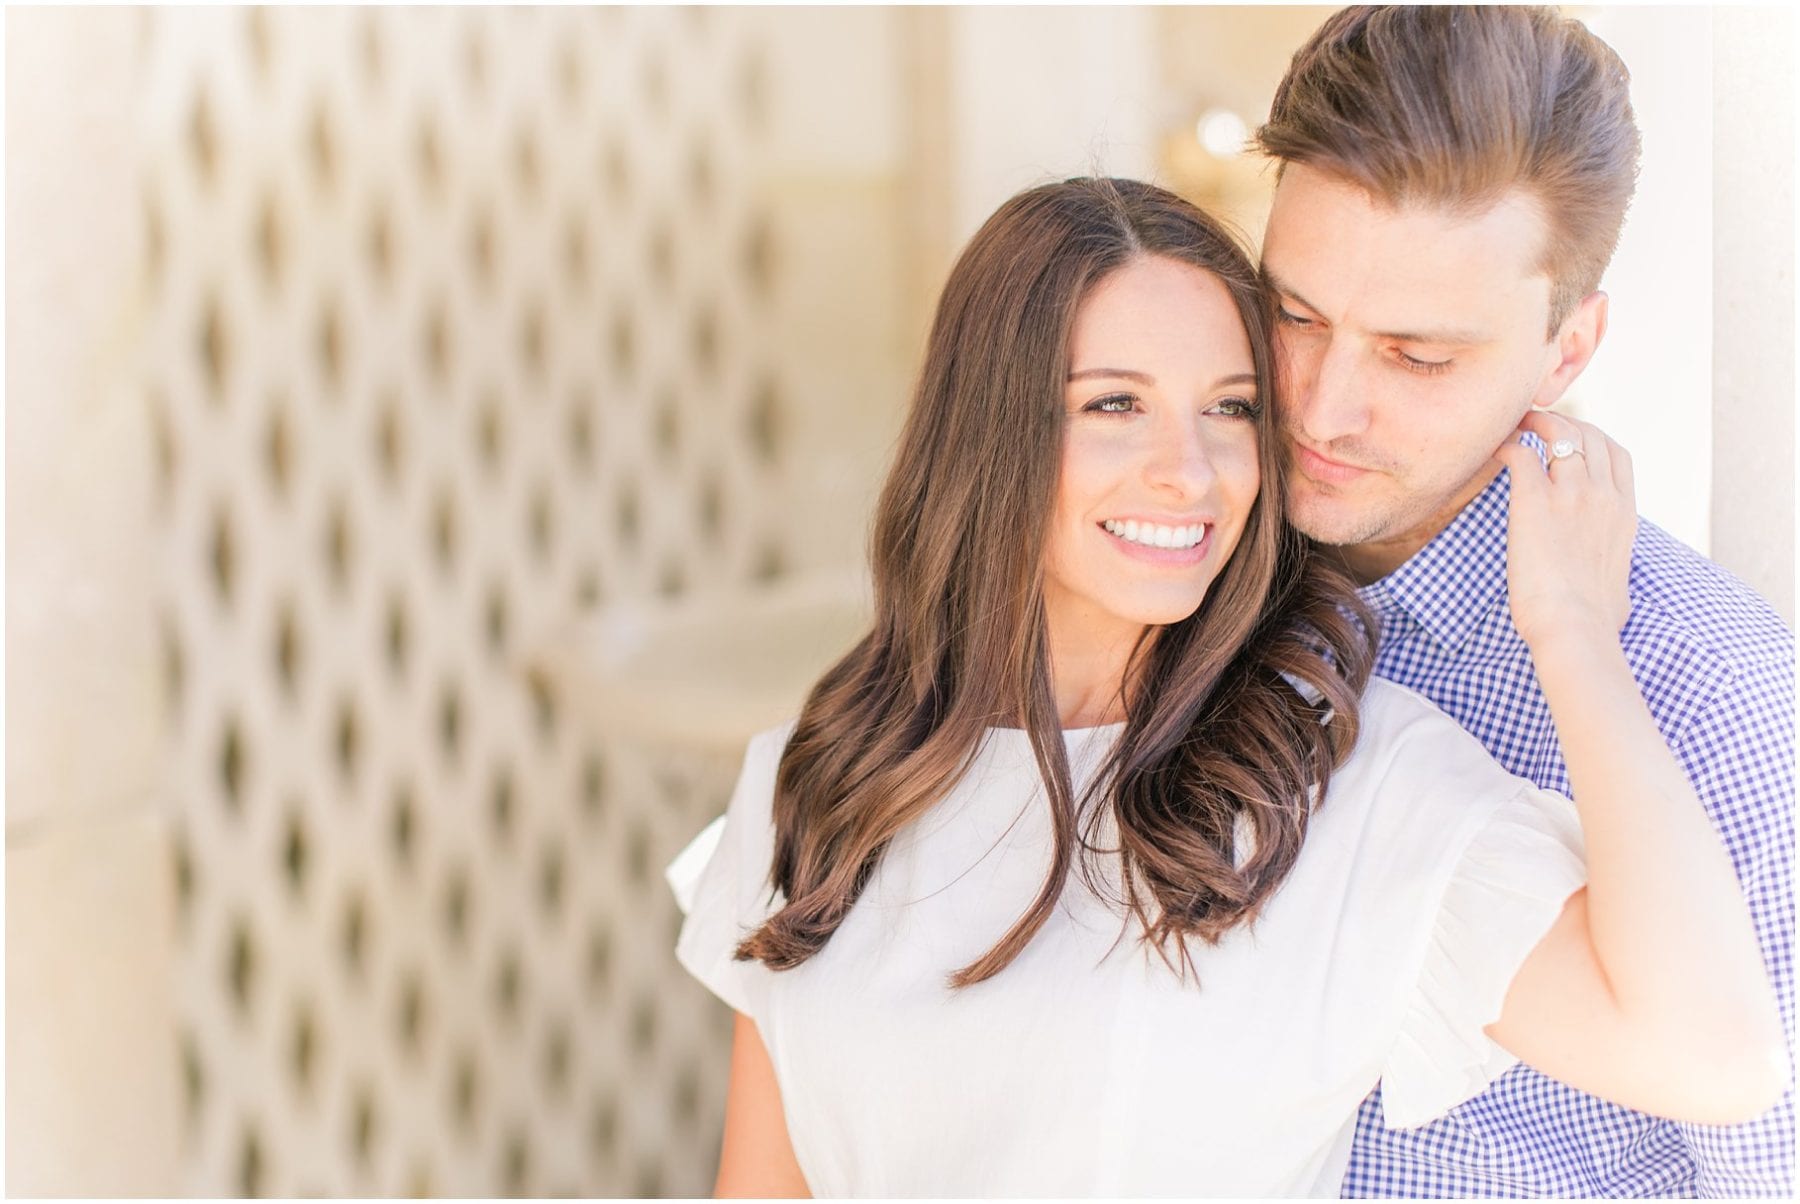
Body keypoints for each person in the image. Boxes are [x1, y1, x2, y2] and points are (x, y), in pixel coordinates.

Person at [662, 176, 1783, 1197]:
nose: (1188, 470)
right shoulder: (817, 775)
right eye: (1115, 404)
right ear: (990, 427)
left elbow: (1712, 1057)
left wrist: (1572, 629)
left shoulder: (1345, 783)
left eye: (1233, 408)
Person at [1252, 6, 1796, 1196]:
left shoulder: (1711, 697)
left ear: (1565, 351)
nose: (1321, 406)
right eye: (1292, 315)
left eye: (1417, 356)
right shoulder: (1175, 579)